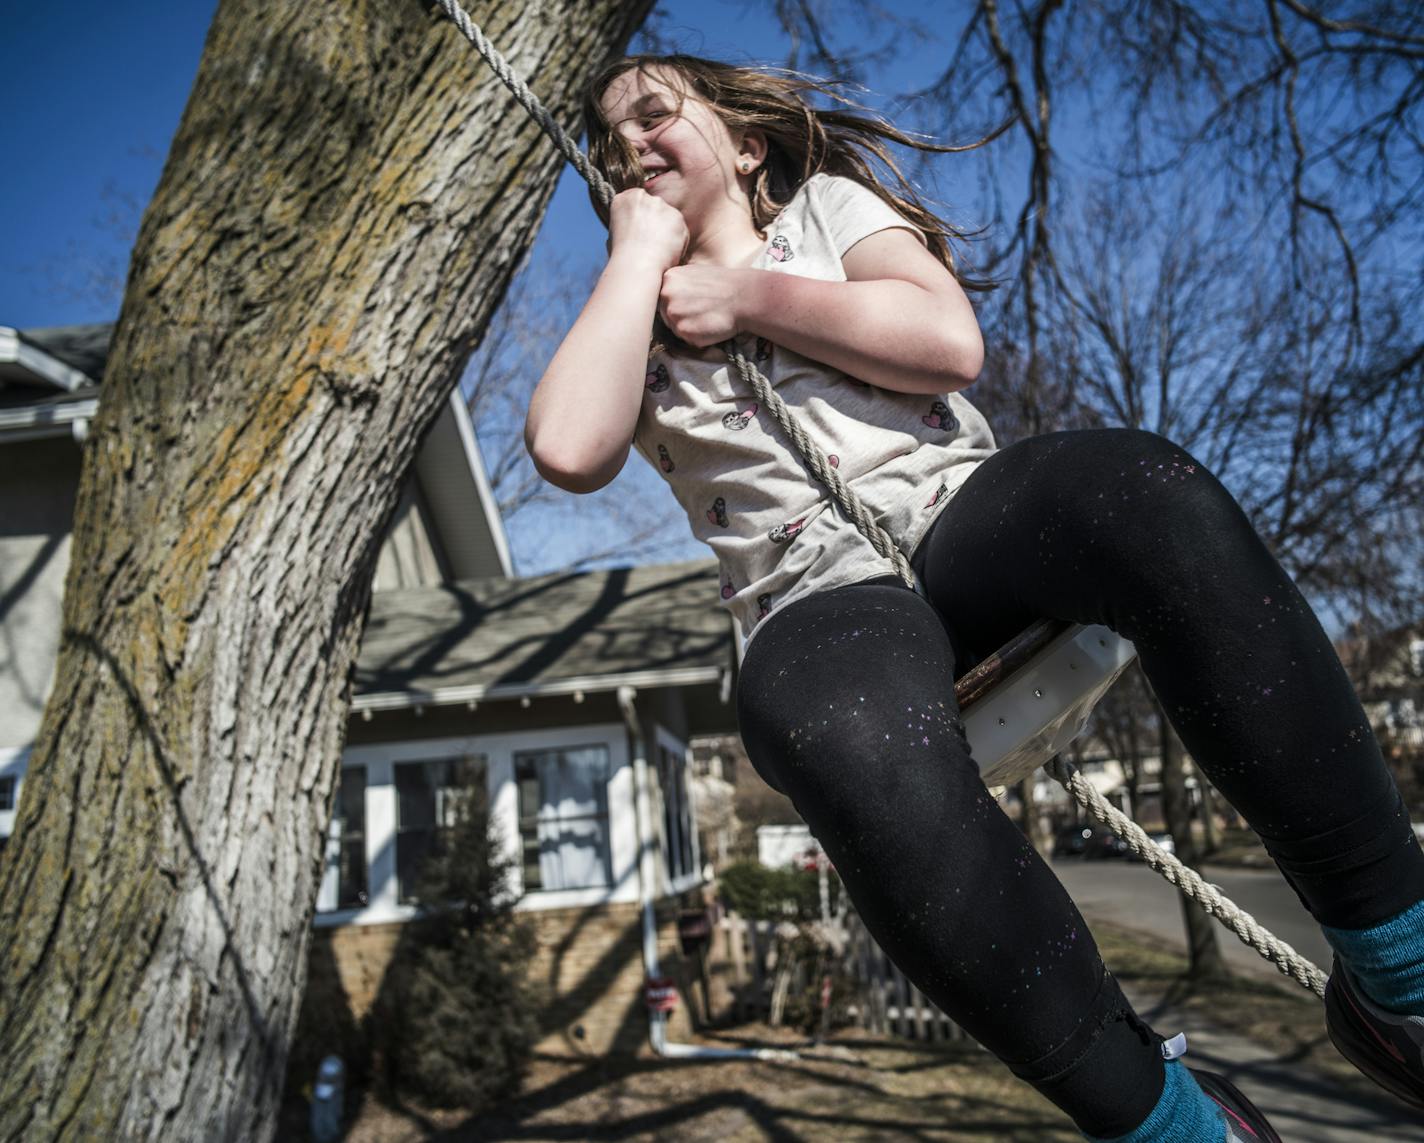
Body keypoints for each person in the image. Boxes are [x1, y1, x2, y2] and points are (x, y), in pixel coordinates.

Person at [525, 52, 1424, 1140]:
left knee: (1147, 497)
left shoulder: (822, 215)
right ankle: (1167, 1122)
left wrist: (748, 294)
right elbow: (569, 448)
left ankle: (1400, 976)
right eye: (611, 140)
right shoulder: (633, 319)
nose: (630, 143)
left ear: (745, 143)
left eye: (655, 115)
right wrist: (638, 257)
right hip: (817, 604)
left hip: (958, 521)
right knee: (829, 734)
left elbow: (945, 344)